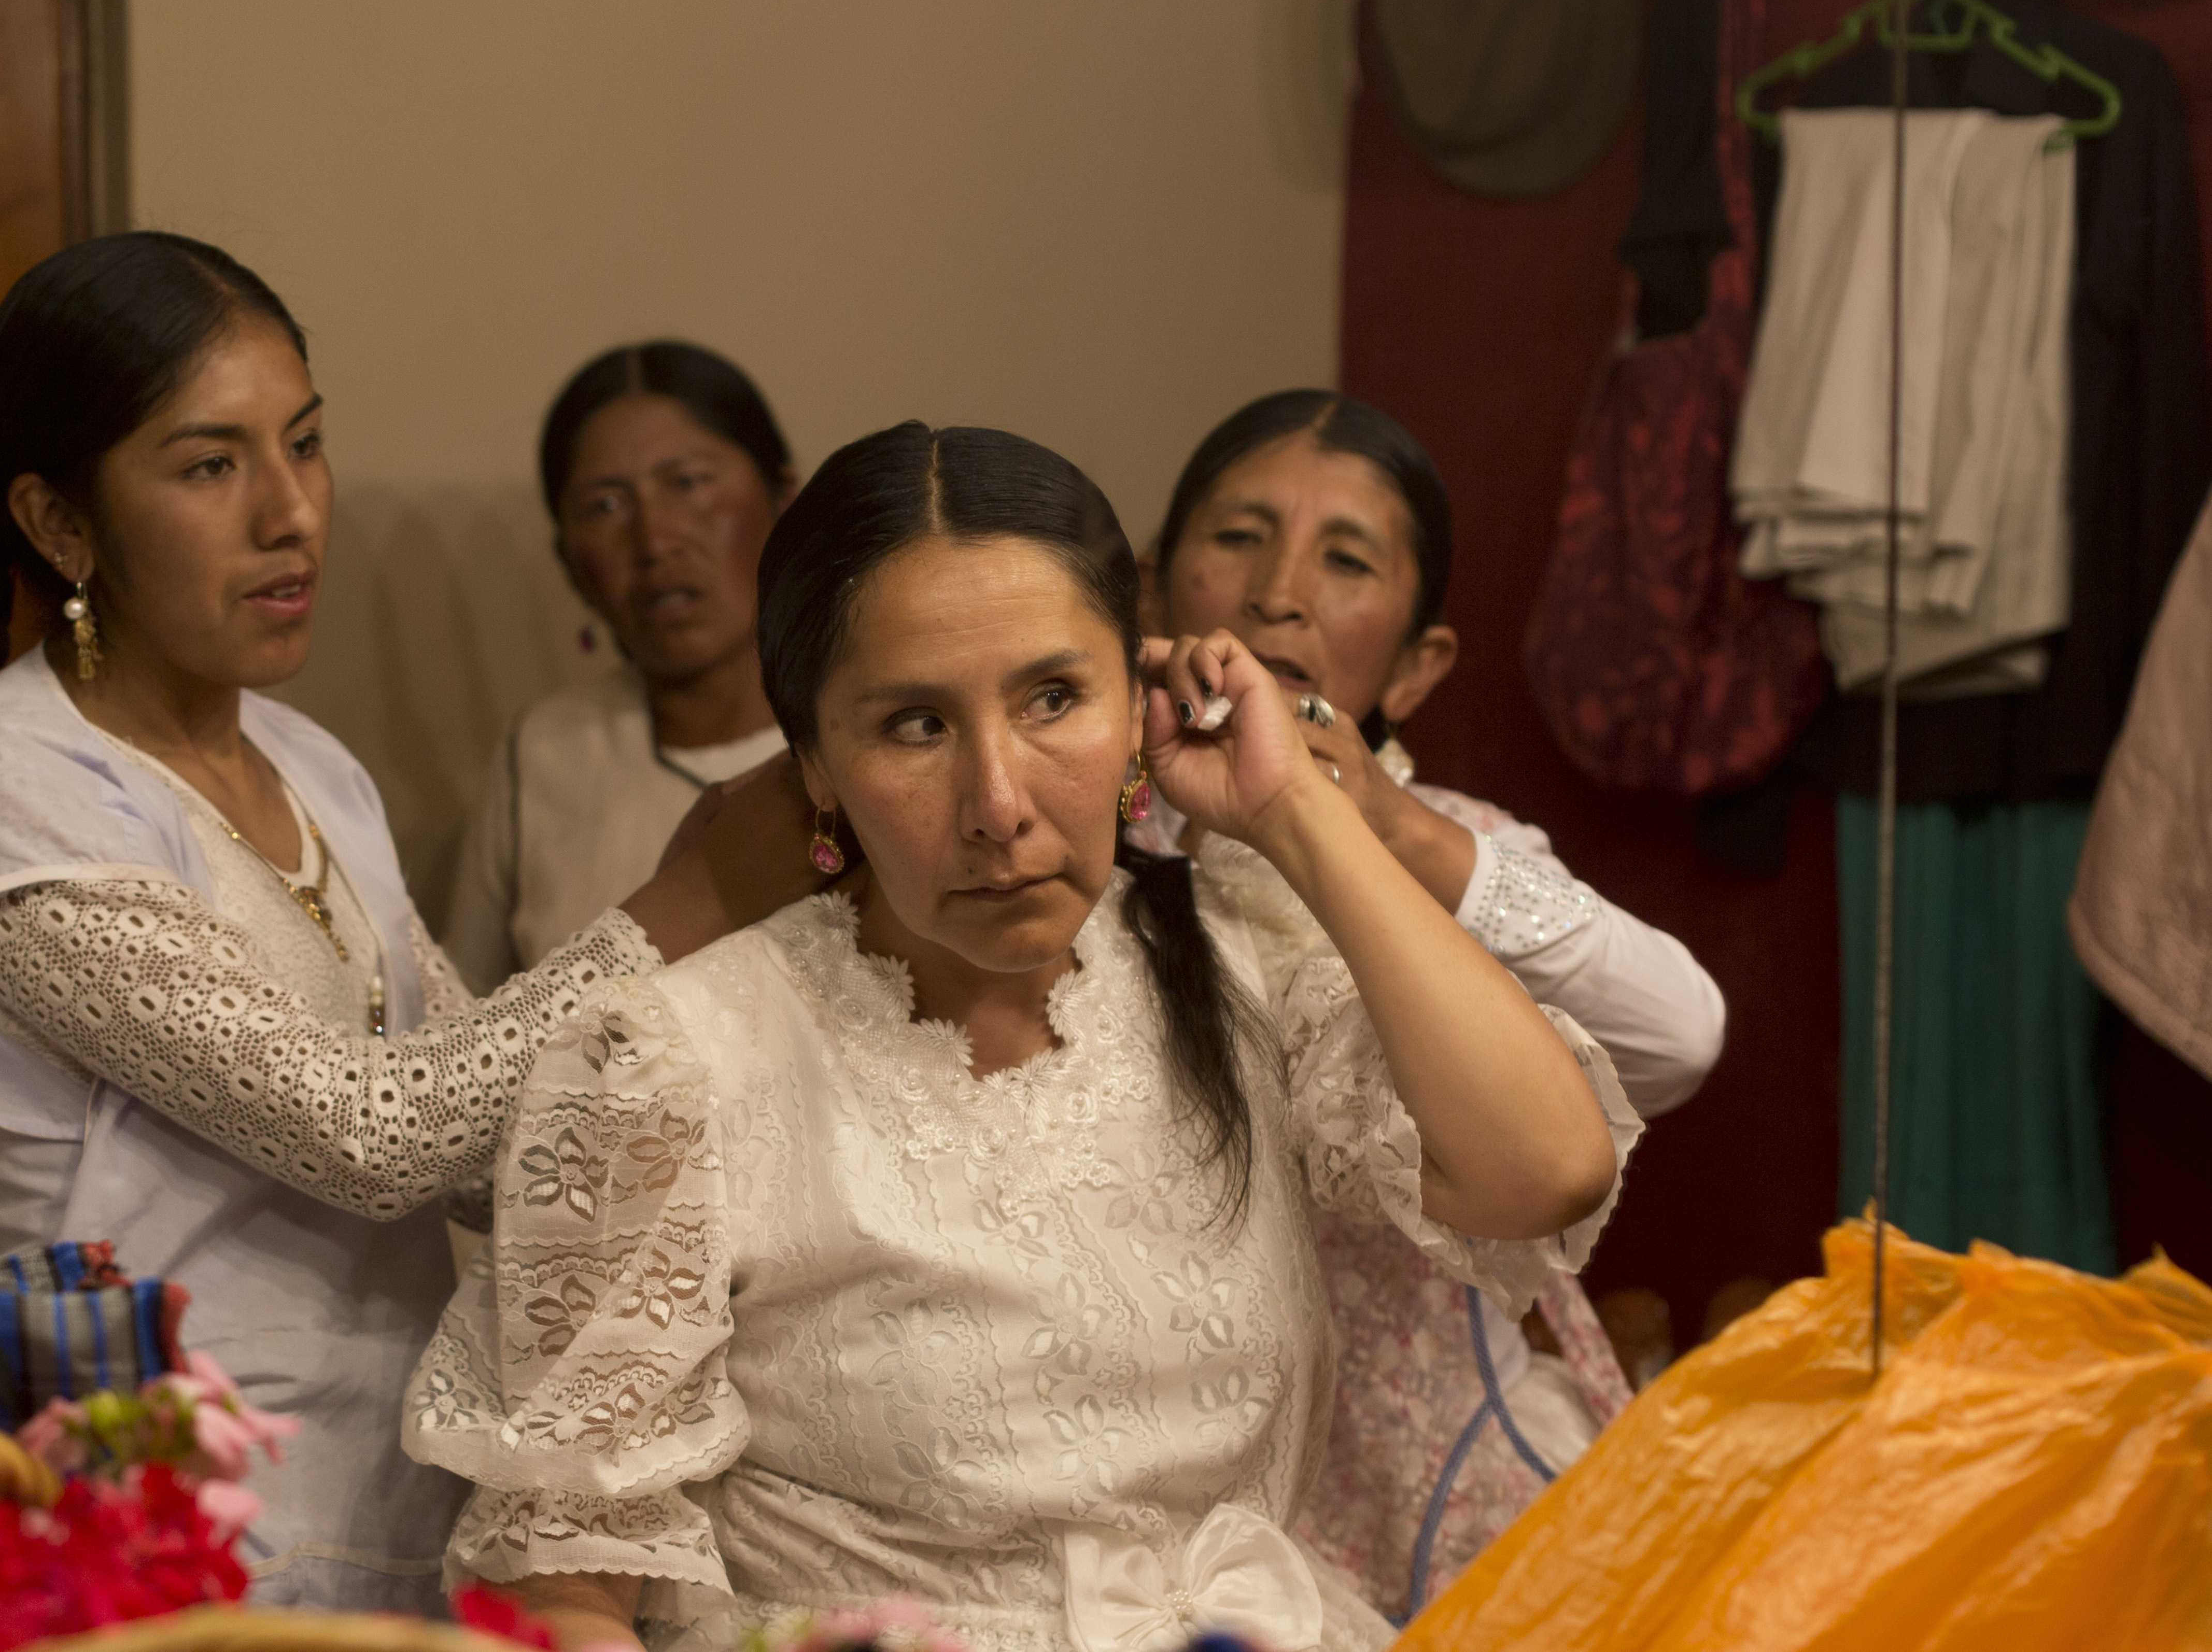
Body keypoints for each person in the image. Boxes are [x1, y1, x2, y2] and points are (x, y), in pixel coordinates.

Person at [404, 422, 1642, 1652]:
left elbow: (1543, 1169)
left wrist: (1290, 810)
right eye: (913, 725)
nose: (997, 806)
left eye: (1055, 698)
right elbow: (561, 1582)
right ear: (814, 766)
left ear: (1139, 701)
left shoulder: (1236, 953)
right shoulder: (664, 1060)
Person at [0, 235, 819, 1612]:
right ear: (61, 525)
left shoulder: (310, 765)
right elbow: (378, 1133)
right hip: (158, 1534)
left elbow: (483, 1123)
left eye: (303, 444)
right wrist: (689, 900)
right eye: (208, 465)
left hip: (393, 1499)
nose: (290, 511)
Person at [1140, 389, 1728, 1616]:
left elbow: (1678, 1039)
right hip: (1182, 1504)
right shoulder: (1070, 852)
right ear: (1155, 590)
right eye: (1238, 536)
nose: (1276, 591)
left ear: (1417, 663)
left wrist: (1389, 828)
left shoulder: (1468, 848)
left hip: (1457, 1480)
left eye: (1343, 558)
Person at [444, 342, 796, 990]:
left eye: (689, 483)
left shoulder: (866, 733)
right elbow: (466, 1027)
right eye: (605, 506)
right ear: (569, 563)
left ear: (783, 497)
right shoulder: (544, 751)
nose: (655, 541)